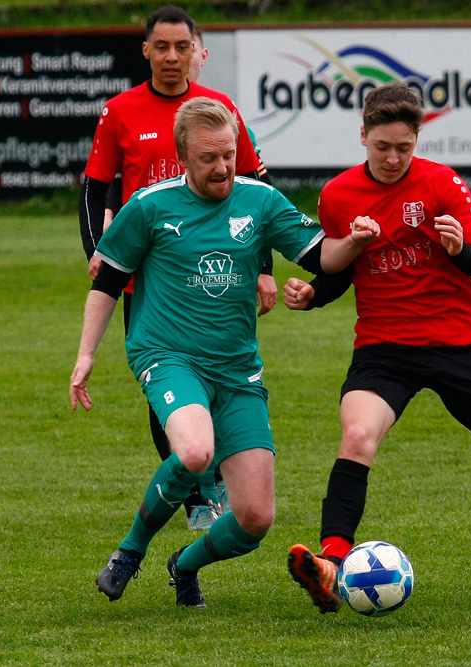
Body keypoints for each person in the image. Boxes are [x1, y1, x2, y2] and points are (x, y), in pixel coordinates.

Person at [70, 97, 380, 608]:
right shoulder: (149, 206)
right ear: (183, 156)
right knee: (194, 453)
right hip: (166, 354)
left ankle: (184, 565)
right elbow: (108, 282)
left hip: (237, 371)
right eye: (208, 158)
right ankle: (128, 553)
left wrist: (355, 240)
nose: (222, 167)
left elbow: (322, 254)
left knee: (256, 518)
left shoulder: (259, 201)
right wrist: (86, 355)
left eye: (229, 155)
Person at [284, 82, 471, 612]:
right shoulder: (338, 195)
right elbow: (341, 269)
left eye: (404, 147)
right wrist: (313, 294)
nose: (393, 158)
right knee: (356, 436)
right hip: (384, 348)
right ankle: (330, 564)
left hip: (459, 345)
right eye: (382, 147)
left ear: (417, 139)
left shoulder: (441, 184)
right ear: (363, 138)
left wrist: (461, 250)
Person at [78, 6, 275, 531]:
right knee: (163, 384)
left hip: (212, 270)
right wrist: (96, 252)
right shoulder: (120, 110)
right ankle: (197, 495)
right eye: (161, 47)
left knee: (216, 370)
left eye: (181, 47)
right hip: (147, 275)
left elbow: (257, 189)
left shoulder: (219, 109)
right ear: (146, 50)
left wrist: (262, 267)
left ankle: (211, 482)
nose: (171, 56)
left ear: (197, 51)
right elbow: (96, 187)